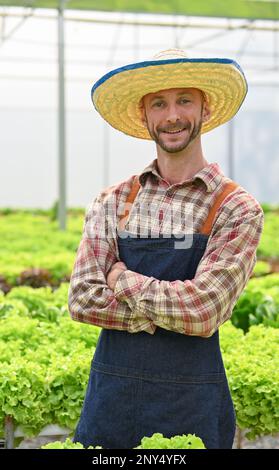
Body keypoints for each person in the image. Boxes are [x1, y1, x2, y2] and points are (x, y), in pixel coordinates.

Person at [68, 49, 264, 449]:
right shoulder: (113, 200)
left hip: (192, 406)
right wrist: (168, 311)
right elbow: (84, 298)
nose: (172, 115)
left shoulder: (235, 207)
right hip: (111, 403)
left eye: (184, 101)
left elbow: (205, 311)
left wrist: (122, 279)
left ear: (205, 109)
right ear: (145, 116)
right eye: (159, 103)